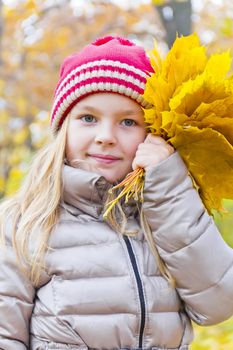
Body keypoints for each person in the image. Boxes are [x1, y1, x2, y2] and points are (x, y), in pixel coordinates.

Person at [0, 35, 233, 350]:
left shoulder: (166, 212)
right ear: (63, 129)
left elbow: (219, 303)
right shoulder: (22, 223)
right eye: (88, 118)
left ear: (152, 135)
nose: (105, 137)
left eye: (127, 121)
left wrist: (168, 187)